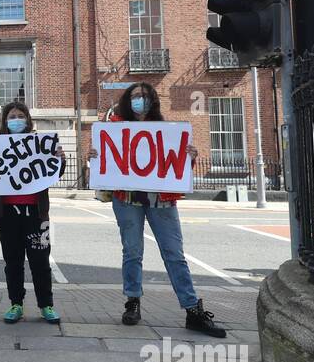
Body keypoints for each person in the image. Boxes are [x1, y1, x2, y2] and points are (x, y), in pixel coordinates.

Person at [87, 83, 225, 337]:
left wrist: (189, 157)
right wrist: (94, 155)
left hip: (162, 200)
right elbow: (103, 163)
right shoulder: (114, 128)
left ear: (153, 101)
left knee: (174, 254)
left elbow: (176, 167)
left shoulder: (167, 130)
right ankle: (133, 302)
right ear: (128, 100)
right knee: (132, 252)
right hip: (127, 199)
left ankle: (192, 309)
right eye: (137, 96)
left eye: (146, 96)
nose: (142, 100)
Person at [0, 101, 66, 324]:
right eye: (12, 116)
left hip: (37, 214)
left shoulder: (40, 143)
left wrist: (59, 159)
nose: (16, 120)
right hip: (6, 215)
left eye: (20, 115)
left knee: (41, 262)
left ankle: (47, 305)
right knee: (13, 262)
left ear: (28, 119)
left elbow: (53, 173)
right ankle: (16, 304)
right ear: (5, 121)